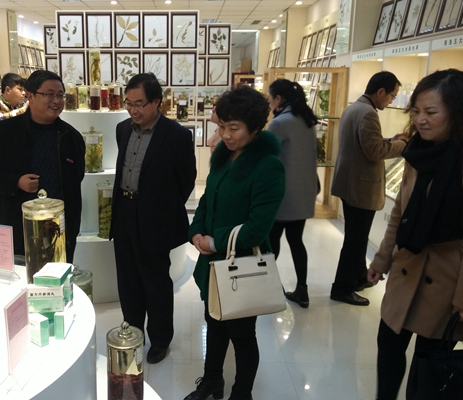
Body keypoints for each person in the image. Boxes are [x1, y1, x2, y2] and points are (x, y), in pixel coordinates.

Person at [367, 69, 463, 399]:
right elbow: (399, 212)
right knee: (388, 349)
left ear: (457, 113)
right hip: (406, 270)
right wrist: (381, 259)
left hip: (447, 284)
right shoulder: (417, 153)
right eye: (416, 111)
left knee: (428, 370)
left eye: (431, 112)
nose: (420, 120)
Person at [185, 85, 285, 400]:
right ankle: (212, 381)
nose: (225, 135)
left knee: (241, 335)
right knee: (213, 323)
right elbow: (207, 199)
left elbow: (257, 228)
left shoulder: (267, 166)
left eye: (234, 128)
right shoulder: (224, 155)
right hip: (213, 263)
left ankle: (242, 393)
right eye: (221, 127)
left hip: (241, 265)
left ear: (255, 128)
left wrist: (214, 242)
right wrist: (196, 231)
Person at [110, 73, 196, 364]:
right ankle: (133, 333)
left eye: (140, 104)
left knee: (156, 282)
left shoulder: (177, 135)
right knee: (128, 280)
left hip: (155, 219)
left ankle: (160, 339)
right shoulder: (123, 129)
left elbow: (186, 180)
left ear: (157, 102)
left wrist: (162, 209)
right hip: (123, 212)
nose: (133, 110)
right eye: (129, 103)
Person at [0, 70, 85, 262]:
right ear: (30, 96)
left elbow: (77, 178)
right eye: (49, 94)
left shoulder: (71, 137)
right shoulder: (4, 132)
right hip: (19, 224)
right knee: (22, 274)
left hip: (59, 226)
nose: (56, 100)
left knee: (58, 274)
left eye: (60, 95)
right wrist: (16, 181)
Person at [330, 71, 408, 306]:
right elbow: (374, 151)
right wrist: (402, 144)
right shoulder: (368, 113)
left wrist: (390, 140)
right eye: (392, 96)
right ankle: (342, 288)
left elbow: (365, 143)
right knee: (355, 241)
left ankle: (357, 278)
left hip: (350, 184)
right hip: (361, 187)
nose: (391, 101)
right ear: (381, 92)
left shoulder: (354, 108)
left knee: (357, 238)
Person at [267, 79, 318, 308]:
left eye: (270, 97)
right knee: (296, 241)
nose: (269, 102)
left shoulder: (279, 123)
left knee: (271, 242)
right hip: (304, 193)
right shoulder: (306, 120)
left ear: (278, 99)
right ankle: (302, 290)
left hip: (283, 194)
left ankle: (266, 287)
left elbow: (267, 157)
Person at [0, 73, 28, 224]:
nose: (23, 93)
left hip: (14, 162)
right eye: (20, 89)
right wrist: (24, 111)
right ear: (7, 89)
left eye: (24, 90)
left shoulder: (18, 106)